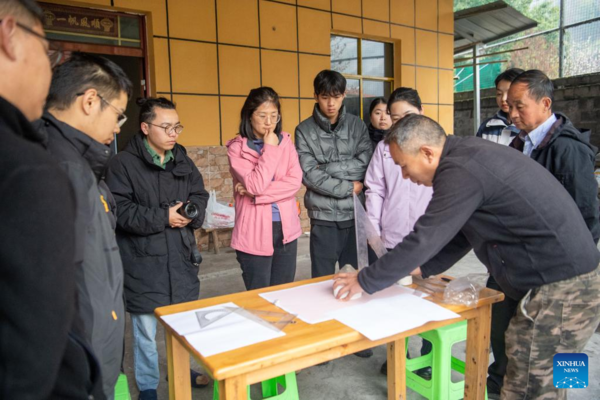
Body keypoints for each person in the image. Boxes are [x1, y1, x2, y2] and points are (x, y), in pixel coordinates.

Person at [334, 114, 600, 400]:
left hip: (561, 290)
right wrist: (424, 267)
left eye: (403, 166)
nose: (405, 175)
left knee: (532, 387)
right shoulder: (468, 155)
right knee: (554, 373)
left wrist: (366, 279)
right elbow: (463, 232)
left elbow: (425, 236)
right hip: (577, 282)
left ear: (426, 153)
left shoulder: (460, 170)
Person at [0, 1, 102, 398]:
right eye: (47, 53)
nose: (49, 70)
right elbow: (33, 357)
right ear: (9, 36)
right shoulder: (28, 170)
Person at [39, 52, 132, 400]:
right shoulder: (63, 167)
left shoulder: (79, 162)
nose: (118, 126)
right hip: (82, 347)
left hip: (94, 337)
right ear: (90, 101)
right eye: (118, 114)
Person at [105, 97, 210, 400]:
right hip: (143, 264)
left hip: (180, 258)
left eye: (177, 126)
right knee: (145, 335)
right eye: (166, 127)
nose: (173, 132)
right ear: (144, 127)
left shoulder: (182, 159)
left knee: (181, 328)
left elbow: (199, 195)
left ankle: (179, 370)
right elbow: (120, 212)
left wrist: (190, 213)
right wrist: (163, 216)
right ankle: (148, 386)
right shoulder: (122, 165)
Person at [295, 69, 373, 358]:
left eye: (337, 97)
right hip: (324, 218)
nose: (331, 103)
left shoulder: (357, 126)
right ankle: (324, 341)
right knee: (322, 281)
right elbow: (309, 175)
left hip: (354, 216)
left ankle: (354, 338)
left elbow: (365, 163)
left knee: (354, 277)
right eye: (325, 97)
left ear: (344, 96)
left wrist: (329, 170)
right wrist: (347, 186)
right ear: (316, 96)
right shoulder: (304, 130)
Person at [365, 89, 433, 377]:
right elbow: (375, 189)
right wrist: (374, 229)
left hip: (429, 235)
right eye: (395, 118)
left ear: (421, 112)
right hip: (393, 234)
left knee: (430, 299)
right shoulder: (384, 149)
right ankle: (398, 355)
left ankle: (428, 359)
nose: (401, 123)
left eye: (408, 116)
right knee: (392, 300)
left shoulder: (435, 147)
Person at [474, 66, 523, 397]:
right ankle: (497, 385)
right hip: (510, 253)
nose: (508, 104)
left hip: (565, 271)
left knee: (560, 351)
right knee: (500, 325)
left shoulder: (564, 147)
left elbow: (586, 213)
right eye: (503, 96)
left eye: (518, 101)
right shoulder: (496, 130)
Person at [508, 69, 600, 242]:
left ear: (545, 103)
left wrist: (580, 260)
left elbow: (586, 211)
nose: (512, 114)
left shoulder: (570, 149)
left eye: (519, 107)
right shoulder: (519, 144)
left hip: (558, 254)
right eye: (510, 106)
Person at [227, 87, 303, 290]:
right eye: (262, 116)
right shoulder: (237, 148)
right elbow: (256, 184)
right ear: (249, 116)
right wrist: (269, 148)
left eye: (274, 116)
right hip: (253, 231)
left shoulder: (286, 142)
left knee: (283, 293)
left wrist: (256, 195)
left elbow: (295, 182)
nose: (269, 122)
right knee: (259, 296)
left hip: (286, 229)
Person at [476, 68, 524, 145]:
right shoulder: (487, 127)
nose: (503, 99)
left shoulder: (529, 128)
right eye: (499, 94)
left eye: (509, 93)